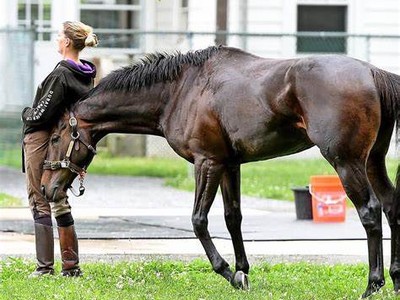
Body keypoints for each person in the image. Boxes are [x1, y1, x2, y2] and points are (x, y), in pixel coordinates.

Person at [21, 21, 98, 277]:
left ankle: (44, 268)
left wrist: (26, 114)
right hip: (63, 144)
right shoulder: (86, 76)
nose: (56, 39)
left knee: (39, 199)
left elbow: (41, 114)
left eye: (58, 36)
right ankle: (71, 266)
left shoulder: (62, 74)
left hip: (41, 139)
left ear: (66, 42)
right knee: (59, 197)